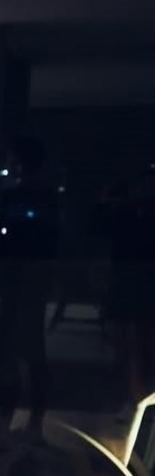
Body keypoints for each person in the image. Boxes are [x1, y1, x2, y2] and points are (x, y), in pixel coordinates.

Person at [0, 136, 59, 441]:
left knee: (5, 353)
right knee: (34, 351)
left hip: (13, 280)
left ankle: (2, 423)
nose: (7, 165)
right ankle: (35, 423)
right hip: (36, 278)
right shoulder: (49, 195)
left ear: (19, 162)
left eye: (11, 160)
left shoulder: (11, 196)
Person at [96, 167, 155, 417]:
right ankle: (129, 397)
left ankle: (137, 398)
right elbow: (100, 228)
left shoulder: (137, 214)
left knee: (139, 344)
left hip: (143, 284)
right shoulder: (127, 213)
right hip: (126, 282)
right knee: (125, 343)